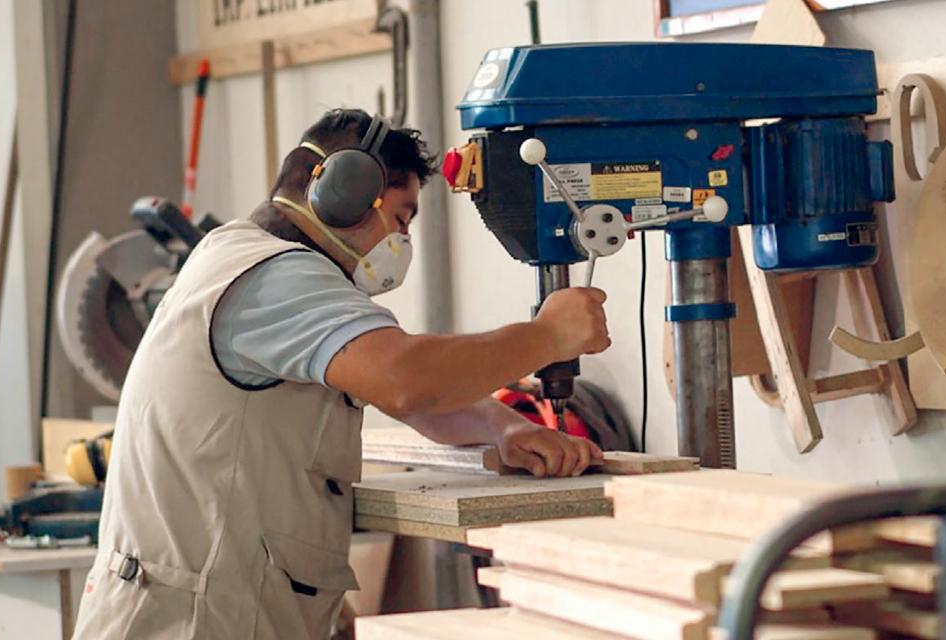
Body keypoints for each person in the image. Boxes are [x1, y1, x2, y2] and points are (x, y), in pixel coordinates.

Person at [73, 108, 610, 639]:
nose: (400, 242)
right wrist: (547, 337)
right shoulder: (275, 276)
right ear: (345, 190)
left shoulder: (239, 255)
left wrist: (503, 428)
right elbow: (406, 377)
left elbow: (405, 395)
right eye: (400, 217)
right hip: (195, 621)